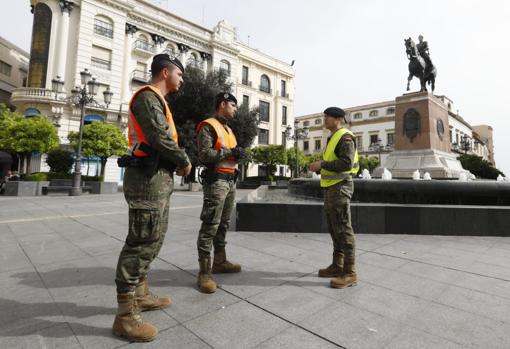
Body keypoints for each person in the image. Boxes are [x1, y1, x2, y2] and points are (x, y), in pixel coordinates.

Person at [113, 53, 191, 342]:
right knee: (141, 240)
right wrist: (183, 159)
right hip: (147, 177)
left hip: (157, 176)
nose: (181, 80)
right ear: (165, 73)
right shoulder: (147, 97)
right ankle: (124, 316)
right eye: (179, 74)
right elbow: (158, 136)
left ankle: (141, 294)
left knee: (154, 236)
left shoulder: (159, 100)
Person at [195, 92, 246, 294]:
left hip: (229, 181)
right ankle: (204, 273)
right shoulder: (208, 126)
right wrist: (230, 152)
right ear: (223, 104)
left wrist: (237, 157)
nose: (235, 109)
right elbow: (205, 155)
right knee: (210, 224)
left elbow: (228, 155)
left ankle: (220, 261)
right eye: (233, 105)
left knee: (223, 223)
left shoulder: (228, 129)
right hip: (216, 182)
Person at [308, 107, 359, 289]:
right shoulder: (333, 137)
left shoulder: (345, 136)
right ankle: (337, 266)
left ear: (338, 119)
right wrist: (320, 168)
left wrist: (322, 164)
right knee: (334, 227)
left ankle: (350, 272)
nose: (324, 119)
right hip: (331, 188)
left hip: (340, 188)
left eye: (327, 116)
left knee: (343, 229)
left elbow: (346, 163)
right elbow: (334, 164)